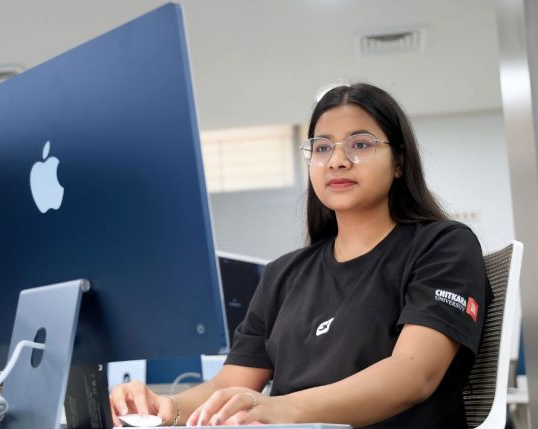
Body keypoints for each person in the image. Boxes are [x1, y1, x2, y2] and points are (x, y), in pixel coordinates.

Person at [109, 83, 490, 428]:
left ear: (399, 162)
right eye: (322, 147)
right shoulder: (283, 274)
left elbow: (413, 374)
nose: (337, 160)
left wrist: (278, 409)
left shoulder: (442, 246)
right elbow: (230, 384)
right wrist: (166, 409)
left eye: (360, 144)